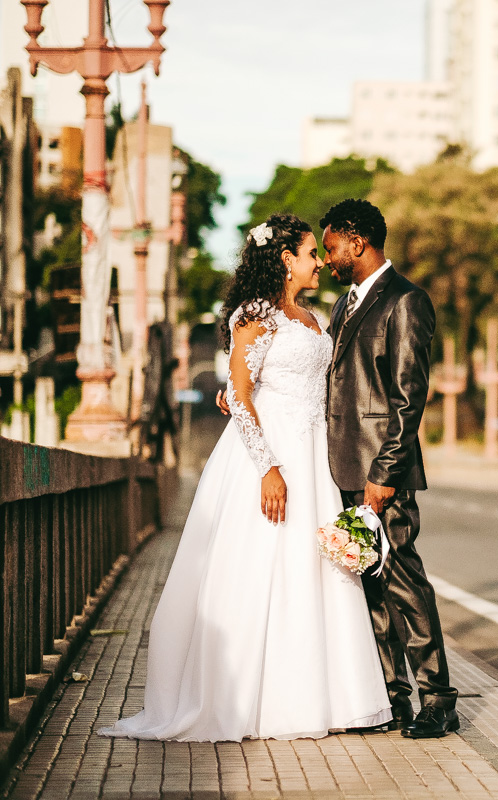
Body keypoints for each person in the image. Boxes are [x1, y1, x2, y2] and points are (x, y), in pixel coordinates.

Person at [103, 214, 391, 742]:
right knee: (262, 568)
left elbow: (305, 386)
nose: (320, 262)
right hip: (272, 453)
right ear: (286, 260)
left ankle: (325, 698)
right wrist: (268, 468)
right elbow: (238, 392)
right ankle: (254, 701)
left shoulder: (314, 317)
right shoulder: (254, 315)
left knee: (313, 572)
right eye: (311, 253)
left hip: (314, 452)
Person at [319, 198, 459, 738]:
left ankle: (438, 698)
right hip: (344, 469)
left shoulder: (406, 302)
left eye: (331, 247)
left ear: (357, 241)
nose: (329, 258)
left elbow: (408, 401)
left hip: (383, 472)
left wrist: (384, 475)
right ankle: (391, 697)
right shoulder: (343, 305)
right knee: (368, 587)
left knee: (402, 579)